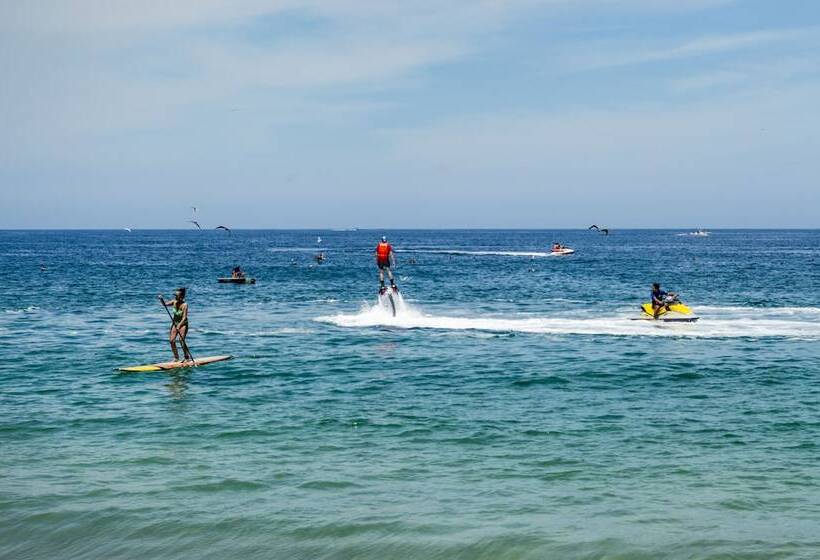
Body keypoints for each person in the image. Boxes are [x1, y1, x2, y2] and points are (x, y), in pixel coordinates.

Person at [160, 288, 191, 361]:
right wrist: (161, 299)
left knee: (181, 340)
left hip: (183, 324)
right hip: (175, 323)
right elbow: (164, 305)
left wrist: (179, 326)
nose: (175, 297)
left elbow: (184, 317)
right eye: (175, 295)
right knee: (171, 340)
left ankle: (186, 356)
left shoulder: (185, 305)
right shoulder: (174, 302)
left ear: (181, 297)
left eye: (177, 296)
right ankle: (176, 357)